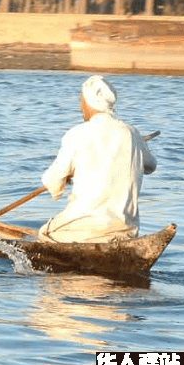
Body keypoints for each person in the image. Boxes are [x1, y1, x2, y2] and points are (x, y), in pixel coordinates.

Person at [38, 75, 156, 244]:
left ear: (88, 102)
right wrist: (138, 144)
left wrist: (65, 177)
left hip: (82, 229)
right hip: (125, 231)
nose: (80, 106)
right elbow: (151, 165)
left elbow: (52, 180)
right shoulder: (131, 133)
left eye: (81, 100)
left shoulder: (76, 134)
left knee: (43, 235)